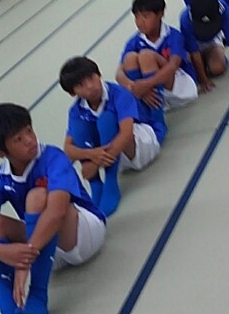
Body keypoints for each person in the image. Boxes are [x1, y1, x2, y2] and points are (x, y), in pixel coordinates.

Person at [0, 103, 106, 314]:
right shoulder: (0, 177)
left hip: (83, 234)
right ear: (0, 152)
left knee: (38, 197)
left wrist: (23, 261)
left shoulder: (53, 157)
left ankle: (38, 295)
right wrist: (2, 252)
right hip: (46, 249)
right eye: (18, 139)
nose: (30, 140)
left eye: (29, 130)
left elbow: (57, 211)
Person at [60, 56, 166, 217]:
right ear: (72, 92)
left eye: (91, 78)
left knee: (107, 120)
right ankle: (96, 185)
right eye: (81, 85)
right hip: (109, 154)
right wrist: (90, 155)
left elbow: (126, 134)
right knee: (80, 127)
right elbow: (68, 150)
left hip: (137, 145)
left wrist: (95, 164)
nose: (90, 86)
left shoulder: (119, 94)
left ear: (99, 74)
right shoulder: (76, 110)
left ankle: (111, 181)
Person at [116, 0, 198, 110]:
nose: (140, 22)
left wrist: (146, 84)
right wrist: (136, 88)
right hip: (149, 94)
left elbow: (173, 66)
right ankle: (147, 107)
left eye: (145, 16)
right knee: (130, 58)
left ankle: (156, 115)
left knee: (146, 56)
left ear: (160, 14)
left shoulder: (173, 35)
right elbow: (119, 74)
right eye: (136, 17)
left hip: (179, 88)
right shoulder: (134, 41)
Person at [180, 0, 229, 91]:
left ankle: (214, 56)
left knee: (217, 69)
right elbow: (193, 50)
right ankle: (203, 62)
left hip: (212, 40)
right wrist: (204, 80)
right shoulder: (185, 19)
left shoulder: (222, 8)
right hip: (194, 41)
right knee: (193, 75)